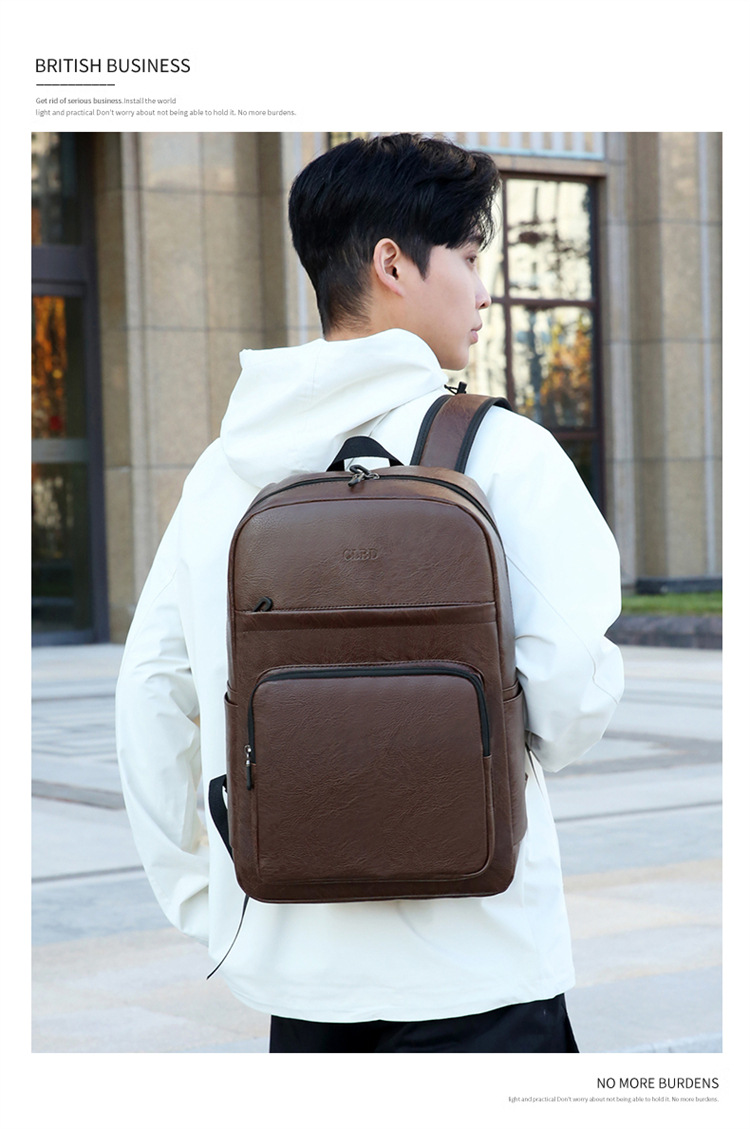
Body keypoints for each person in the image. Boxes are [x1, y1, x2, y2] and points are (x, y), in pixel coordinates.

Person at [116, 133, 624, 1054]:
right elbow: (571, 697)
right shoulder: (503, 454)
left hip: (300, 979)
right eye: (469, 257)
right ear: (394, 263)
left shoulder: (223, 473)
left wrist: (207, 901)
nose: (484, 291)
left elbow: (152, 693)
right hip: (483, 967)